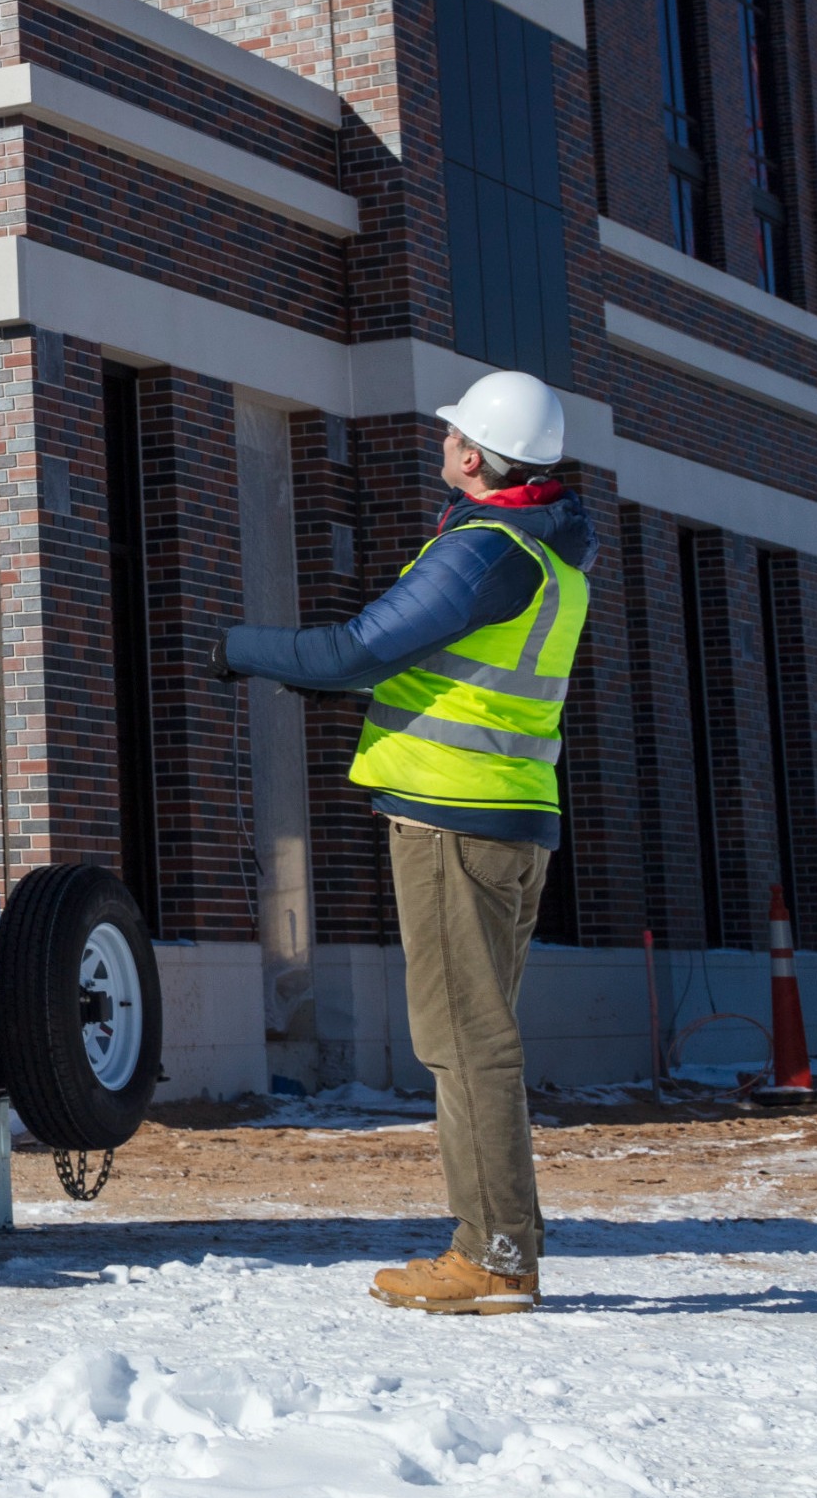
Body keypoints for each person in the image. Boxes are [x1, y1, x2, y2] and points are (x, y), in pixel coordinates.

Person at [222, 371, 593, 1316]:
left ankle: (495, 1256)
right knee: (479, 1038)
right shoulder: (550, 550)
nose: (442, 445)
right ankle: (501, 1248)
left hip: (451, 823)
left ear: (475, 456)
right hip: (509, 815)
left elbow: (355, 653)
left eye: (453, 436)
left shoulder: (485, 553)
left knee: (463, 1044)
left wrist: (236, 648)